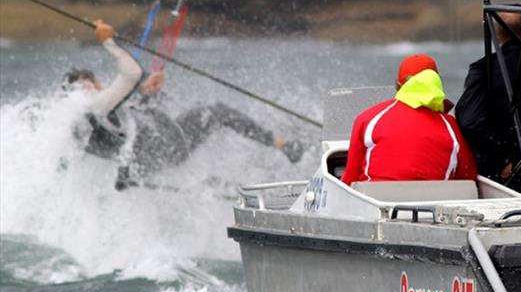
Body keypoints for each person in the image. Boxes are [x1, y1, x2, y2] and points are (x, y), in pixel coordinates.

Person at [66, 20, 303, 189]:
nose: (91, 90)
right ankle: (281, 144)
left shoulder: (73, 122)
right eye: (86, 86)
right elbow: (130, 72)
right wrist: (108, 41)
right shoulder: (96, 107)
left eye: (90, 84)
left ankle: (212, 178)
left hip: (149, 156)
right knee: (216, 112)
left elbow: (121, 115)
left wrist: (144, 88)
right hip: (166, 148)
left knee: (156, 103)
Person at [455, 12, 521, 194]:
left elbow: (469, 120)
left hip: (505, 174)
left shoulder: (484, 70)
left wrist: (500, 160)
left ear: (494, 33)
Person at [341, 54, 477, 185]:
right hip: (434, 204)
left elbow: (349, 180)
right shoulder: (451, 126)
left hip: (373, 202)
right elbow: (468, 177)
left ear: (397, 85)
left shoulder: (369, 118)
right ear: (436, 82)